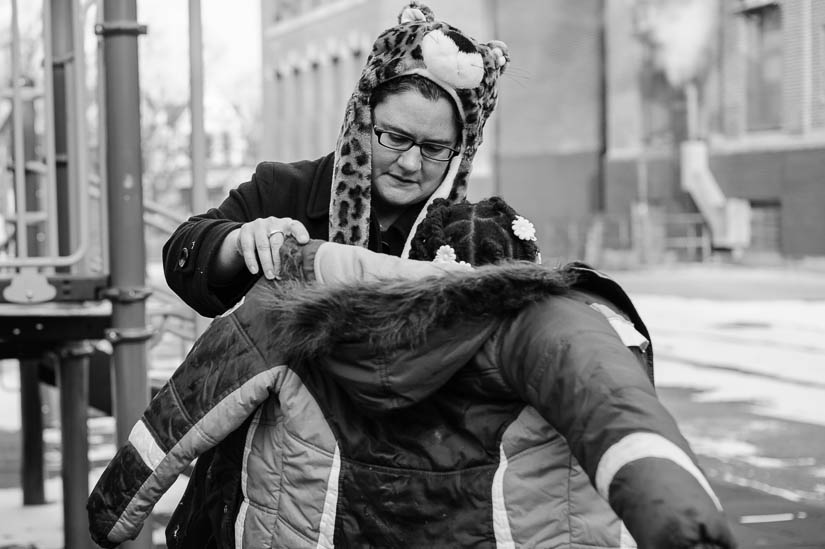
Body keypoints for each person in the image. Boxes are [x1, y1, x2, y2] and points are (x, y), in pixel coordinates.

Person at [89, 197, 736, 549]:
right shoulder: (553, 325)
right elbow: (629, 430)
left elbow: (179, 413)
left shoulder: (291, 302)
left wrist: (111, 513)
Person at [162, 1, 510, 318]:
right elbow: (183, 253)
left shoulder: (471, 232)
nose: (410, 164)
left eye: (434, 149)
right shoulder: (283, 189)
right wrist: (237, 242)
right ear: (360, 123)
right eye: (396, 138)